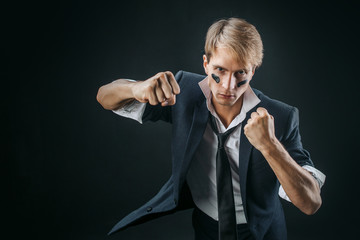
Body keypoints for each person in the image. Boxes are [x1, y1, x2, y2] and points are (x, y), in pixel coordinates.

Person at [96, 18, 325, 240]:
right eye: (220, 70)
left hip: (262, 231)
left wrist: (271, 147)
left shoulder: (281, 117)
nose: (228, 86)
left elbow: (310, 203)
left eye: (240, 73)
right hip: (207, 226)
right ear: (206, 64)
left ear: (253, 71)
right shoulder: (182, 93)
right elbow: (104, 97)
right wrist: (136, 89)